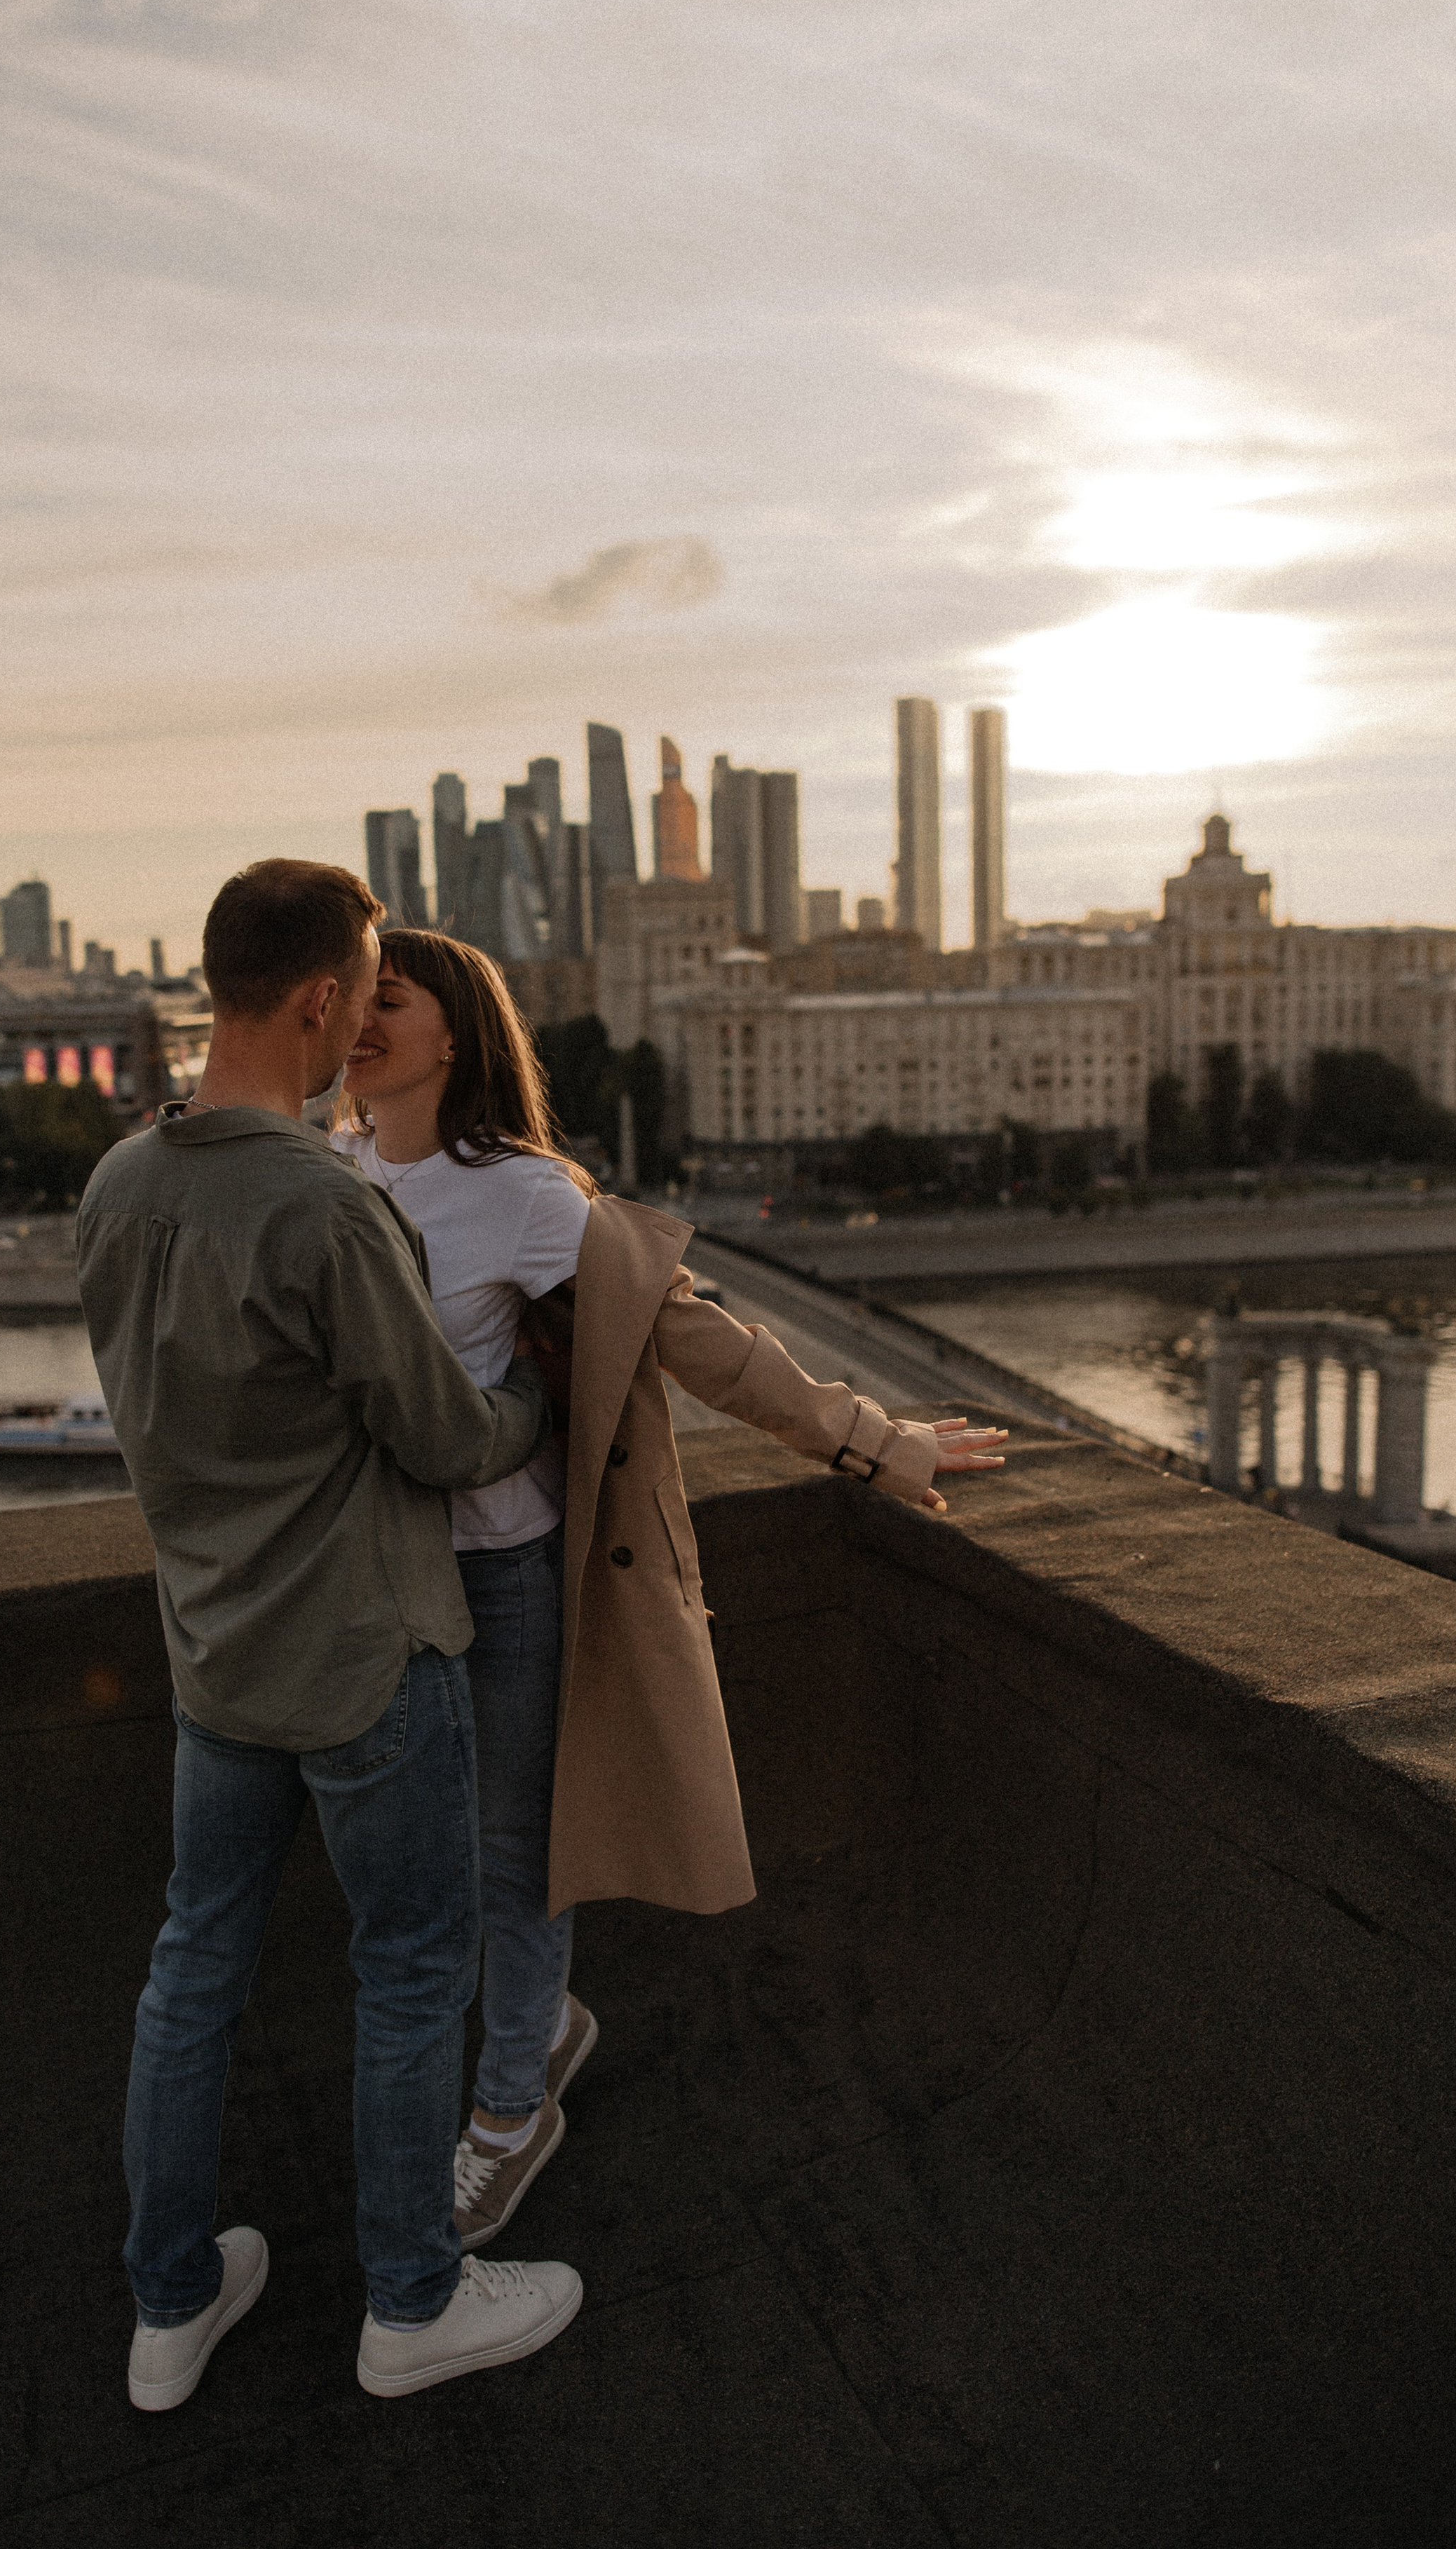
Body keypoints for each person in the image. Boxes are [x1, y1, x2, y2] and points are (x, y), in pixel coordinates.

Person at [332, 928, 1006, 2249]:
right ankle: (544, 2027)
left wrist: (877, 1443)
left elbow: (695, 1334)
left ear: (454, 1033)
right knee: (432, 1865)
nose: (359, 1021)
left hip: (509, 1575)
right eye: (349, 1000)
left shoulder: (523, 1195)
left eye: (388, 1002)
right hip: (383, 1587)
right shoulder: (334, 1173)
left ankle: (512, 2111)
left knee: (521, 1857)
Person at [75, 859, 583, 2414]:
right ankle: (412, 2305)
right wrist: (540, 1399)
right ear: (313, 1000)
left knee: (191, 1972)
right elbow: (443, 1437)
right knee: (415, 1973)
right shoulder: (323, 1201)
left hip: (213, 1659)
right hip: (367, 1659)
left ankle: (169, 2309)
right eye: (363, 988)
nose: (369, 1012)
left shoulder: (119, 1185)